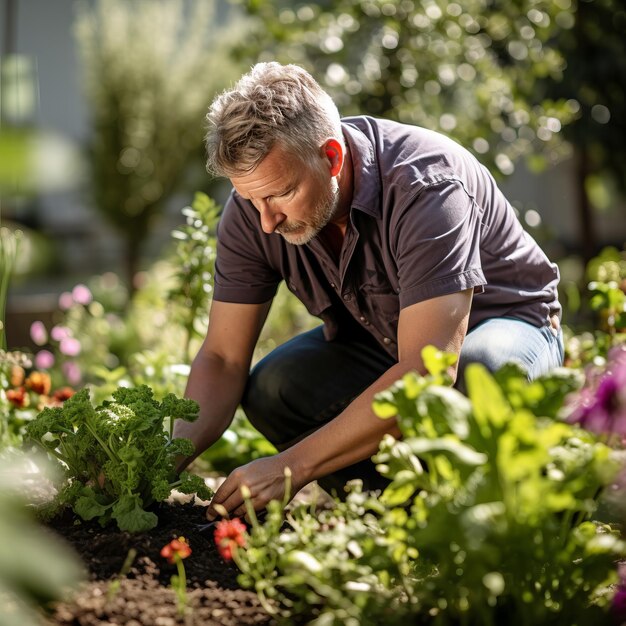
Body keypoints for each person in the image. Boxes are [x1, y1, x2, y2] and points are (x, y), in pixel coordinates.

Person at [173, 62, 564, 519]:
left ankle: (513, 519)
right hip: (386, 342)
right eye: (250, 198)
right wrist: (160, 462)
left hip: (506, 331)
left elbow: (428, 369)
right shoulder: (254, 210)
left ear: (332, 157)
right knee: (275, 388)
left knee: (480, 372)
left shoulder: (426, 184)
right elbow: (223, 358)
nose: (266, 220)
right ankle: (405, 522)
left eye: (281, 194)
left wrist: (291, 467)